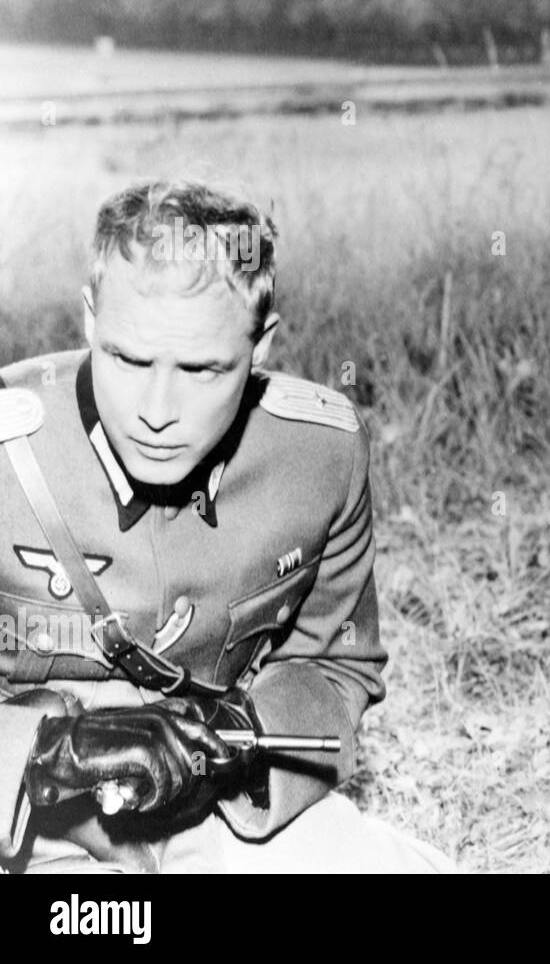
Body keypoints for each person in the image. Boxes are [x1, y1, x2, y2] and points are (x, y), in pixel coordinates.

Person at [0, 180, 454, 873]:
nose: (157, 408)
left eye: (203, 368)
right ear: (89, 319)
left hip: (212, 811)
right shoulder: (11, 451)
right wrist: (46, 743)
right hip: (22, 820)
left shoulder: (317, 456)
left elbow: (335, 664)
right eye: (128, 358)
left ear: (260, 346)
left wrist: (241, 733)